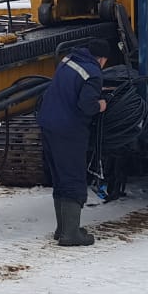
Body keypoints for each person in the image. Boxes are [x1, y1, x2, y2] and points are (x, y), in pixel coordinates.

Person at [36, 38, 111, 247]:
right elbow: (86, 105)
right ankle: (71, 234)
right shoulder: (94, 73)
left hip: (48, 123)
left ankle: (62, 228)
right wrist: (101, 105)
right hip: (68, 129)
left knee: (60, 176)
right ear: (102, 59)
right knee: (73, 177)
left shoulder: (69, 59)